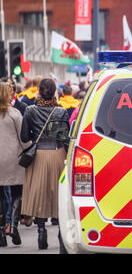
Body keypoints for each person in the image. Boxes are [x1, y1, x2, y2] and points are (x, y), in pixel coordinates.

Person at [20, 78, 69, 250]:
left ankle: (41, 230)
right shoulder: (61, 111)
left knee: (39, 192)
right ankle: (60, 231)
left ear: (39, 92)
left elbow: (25, 137)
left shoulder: (30, 111)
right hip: (57, 153)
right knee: (58, 194)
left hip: (39, 155)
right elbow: (64, 138)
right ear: (55, 92)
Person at [0, 82, 26, 247]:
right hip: (13, 159)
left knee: (0, 196)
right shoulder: (15, 113)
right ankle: (14, 226)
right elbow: (23, 137)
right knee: (18, 192)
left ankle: (1, 231)